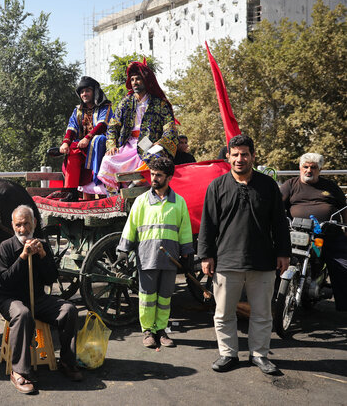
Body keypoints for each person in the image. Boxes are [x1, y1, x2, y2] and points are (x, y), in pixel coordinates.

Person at [198, 135, 290, 375]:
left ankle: (259, 354)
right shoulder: (217, 186)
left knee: (262, 313)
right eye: (235, 154)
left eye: (245, 154)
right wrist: (206, 256)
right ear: (228, 156)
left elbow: (279, 222)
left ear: (253, 156)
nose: (240, 159)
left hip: (263, 260)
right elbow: (207, 225)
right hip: (227, 261)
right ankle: (228, 354)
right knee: (224, 313)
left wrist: (283, 252)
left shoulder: (268, 185)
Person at [0, 205, 82, 394]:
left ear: (34, 223)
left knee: (69, 310)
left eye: (26, 223)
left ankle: (67, 362)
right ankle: (19, 371)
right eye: (18, 225)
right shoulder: (6, 247)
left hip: (38, 298)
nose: (22, 229)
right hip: (10, 299)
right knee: (23, 313)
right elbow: (5, 282)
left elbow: (51, 278)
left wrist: (43, 256)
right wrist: (23, 257)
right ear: (13, 225)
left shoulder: (42, 244)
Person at [117, 157, 193, 348]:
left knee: (165, 297)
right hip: (147, 257)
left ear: (169, 177)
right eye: (152, 174)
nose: (154, 178)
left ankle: (162, 330)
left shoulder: (179, 203)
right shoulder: (142, 201)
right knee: (147, 297)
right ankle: (148, 332)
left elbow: (184, 230)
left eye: (158, 175)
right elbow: (131, 226)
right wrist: (123, 249)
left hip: (170, 259)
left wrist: (187, 253)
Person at [97, 60, 178, 193]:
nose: (134, 82)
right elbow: (112, 126)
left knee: (155, 156)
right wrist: (111, 145)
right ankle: (115, 193)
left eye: (138, 79)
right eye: (132, 79)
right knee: (108, 160)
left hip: (148, 142)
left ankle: (134, 185)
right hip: (128, 142)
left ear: (145, 80)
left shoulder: (159, 103)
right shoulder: (125, 102)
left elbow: (170, 128)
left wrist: (160, 143)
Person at [280, 153, 347, 311]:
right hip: (297, 232)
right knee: (277, 259)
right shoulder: (290, 185)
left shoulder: (330, 187)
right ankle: (274, 298)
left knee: (343, 265)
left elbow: (344, 207)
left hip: (328, 233)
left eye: (313, 167)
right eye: (306, 167)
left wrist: (345, 227)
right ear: (300, 168)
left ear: (319, 170)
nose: (309, 170)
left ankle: (344, 307)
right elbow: (277, 205)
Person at [58, 76, 112, 198]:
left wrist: (88, 138)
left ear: (94, 92)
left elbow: (102, 125)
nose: (84, 94)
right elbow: (72, 127)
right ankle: (71, 192)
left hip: (102, 146)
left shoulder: (105, 106)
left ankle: (100, 184)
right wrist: (65, 143)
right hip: (83, 147)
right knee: (72, 149)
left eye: (87, 91)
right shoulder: (77, 110)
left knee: (98, 140)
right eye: (82, 92)